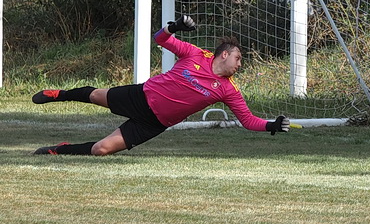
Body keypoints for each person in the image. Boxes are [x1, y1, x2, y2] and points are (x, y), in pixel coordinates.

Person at [32, 15, 291, 156]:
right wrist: (174, 27)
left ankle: (60, 150)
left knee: (101, 149)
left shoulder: (228, 89)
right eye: (238, 58)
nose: (239, 64)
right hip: (141, 96)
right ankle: (59, 94)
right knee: (96, 95)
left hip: (154, 123)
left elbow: (247, 120)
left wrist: (272, 125)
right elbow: (160, 39)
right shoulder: (195, 54)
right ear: (224, 54)